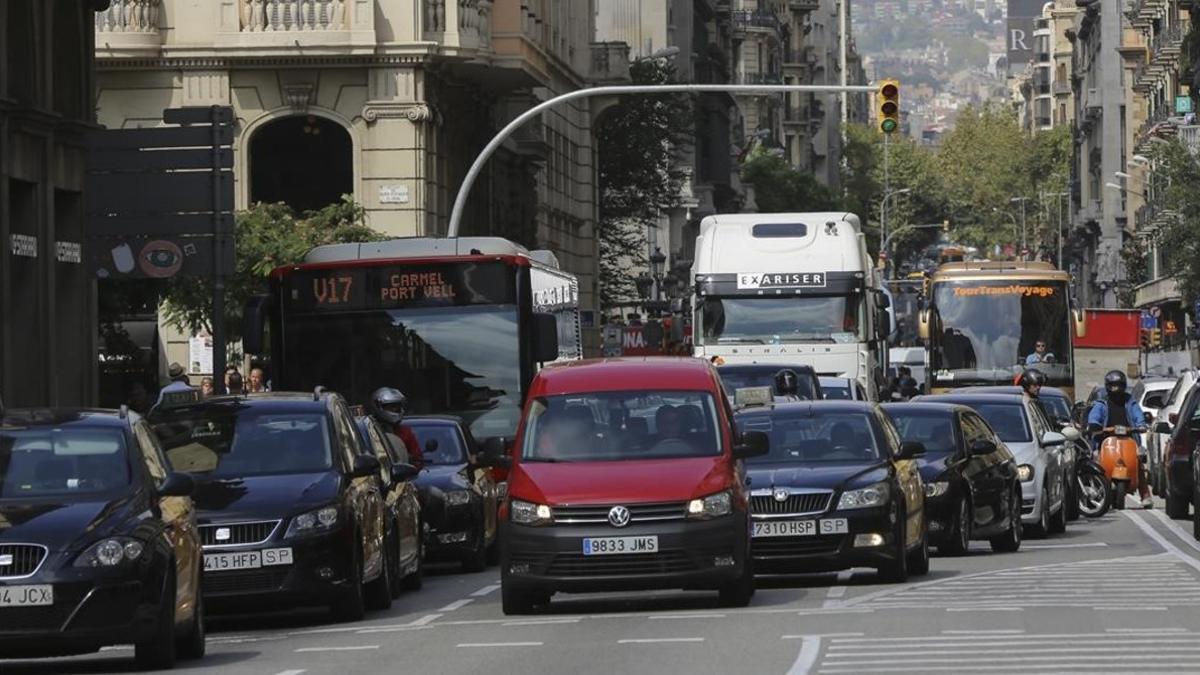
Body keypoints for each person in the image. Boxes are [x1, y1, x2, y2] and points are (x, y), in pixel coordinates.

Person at [1087, 370, 1152, 509]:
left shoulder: (1130, 402)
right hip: (1105, 441)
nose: (1116, 389)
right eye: (1113, 385)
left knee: (1139, 463)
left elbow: (1138, 415)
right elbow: (1094, 416)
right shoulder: (1102, 403)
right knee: (1095, 461)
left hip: (1129, 439)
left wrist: (1141, 425)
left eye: (1119, 385)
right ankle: (1093, 492)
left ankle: (1145, 494)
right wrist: (1094, 425)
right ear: (1108, 386)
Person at [370, 387, 423, 468]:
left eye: (398, 406)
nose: (396, 409)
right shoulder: (369, 432)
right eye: (391, 406)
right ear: (379, 406)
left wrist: (410, 460)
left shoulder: (406, 432)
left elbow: (418, 461)